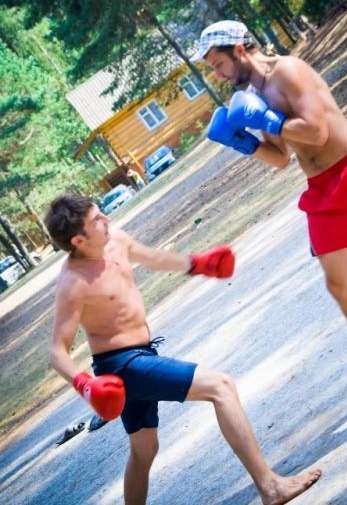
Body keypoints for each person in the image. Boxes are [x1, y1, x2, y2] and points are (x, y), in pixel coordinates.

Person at [45, 193, 321, 505]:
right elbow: (57, 351)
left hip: (142, 354)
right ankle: (270, 487)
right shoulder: (73, 284)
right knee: (221, 386)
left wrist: (199, 264)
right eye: (97, 220)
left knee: (145, 449)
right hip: (122, 365)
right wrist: (86, 385)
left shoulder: (116, 241)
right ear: (79, 240)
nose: (106, 219)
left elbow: (153, 258)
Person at [191, 20, 347, 409]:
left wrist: (266, 119)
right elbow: (280, 158)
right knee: (338, 284)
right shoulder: (253, 94)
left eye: (218, 64)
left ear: (239, 50)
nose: (218, 75)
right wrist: (242, 143)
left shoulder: (288, 70)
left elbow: (317, 131)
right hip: (320, 190)